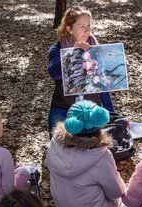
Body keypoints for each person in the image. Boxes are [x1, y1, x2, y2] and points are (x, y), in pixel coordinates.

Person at [45, 100, 129, 207]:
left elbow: (47, 164)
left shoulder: (54, 143)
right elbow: (115, 192)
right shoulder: (102, 156)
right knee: (125, 206)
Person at [47, 6, 114, 137]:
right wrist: (73, 53)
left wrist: (111, 112)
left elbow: (102, 85)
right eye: (81, 26)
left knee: (91, 149)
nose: (87, 30)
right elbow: (54, 73)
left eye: (88, 25)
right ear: (69, 29)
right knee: (58, 146)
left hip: (90, 109)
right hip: (63, 107)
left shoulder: (95, 48)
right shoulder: (57, 48)